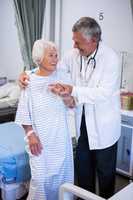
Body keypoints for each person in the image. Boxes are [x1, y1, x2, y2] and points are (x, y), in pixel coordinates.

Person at [18, 17, 121, 199]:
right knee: (83, 174)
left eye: (78, 42)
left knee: (105, 176)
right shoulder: (72, 55)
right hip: (82, 126)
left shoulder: (111, 58)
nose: (74, 46)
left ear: (93, 40)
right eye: (74, 40)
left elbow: (103, 93)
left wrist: (72, 90)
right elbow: (48, 68)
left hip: (104, 127)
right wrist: (26, 74)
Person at [16, 39, 74, 200]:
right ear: (39, 58)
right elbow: (23, 111)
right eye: (51, 55)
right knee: (40, 180)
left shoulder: (63, 76)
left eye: (56, 55)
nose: (55, 59)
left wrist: (64, 95)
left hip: (60, 139)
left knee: (62, 178)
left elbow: (72, 104)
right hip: (39, 140)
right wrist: (30, 135)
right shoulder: (29, 80)